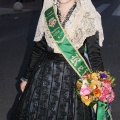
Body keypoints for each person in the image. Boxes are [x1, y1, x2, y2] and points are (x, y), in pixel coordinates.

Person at [14, 0, 106, 119]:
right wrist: (26, 77)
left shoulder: (88, 15)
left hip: (74, 78)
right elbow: (38, 49)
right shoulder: (48, 13)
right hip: (45, 76)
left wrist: (101, 84)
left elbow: (94, 55)